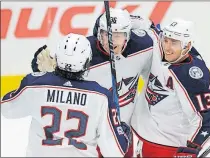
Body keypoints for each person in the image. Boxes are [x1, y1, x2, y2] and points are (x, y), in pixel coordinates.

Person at [31, 8, 156, 157]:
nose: (111, 41)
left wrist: (146, 23)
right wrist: (47, 70)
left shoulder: (144, 46)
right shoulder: (83, 53)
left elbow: (165, 41)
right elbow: (53, 75)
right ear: (98, 33)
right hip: (89, 138)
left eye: (118, 35)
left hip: (123, 134)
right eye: (106, 35)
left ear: (128, 35)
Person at [1, 33, 132, 157]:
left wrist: (44, 77)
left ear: (57, 57)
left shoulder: (35, 85)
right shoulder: (101, 96)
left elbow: (6, 109)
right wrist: (123, 135)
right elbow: (114, 152)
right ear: (87, 62)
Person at [131, 18, 210, 157]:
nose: (167, 47)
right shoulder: (161, 47)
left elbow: (208, 120)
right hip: (146, 139)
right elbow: (149, 27)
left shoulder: (190, 76)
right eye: (166, 40)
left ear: (187, 45)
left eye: (174, 43)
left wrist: (193, 147)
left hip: (169, 146)